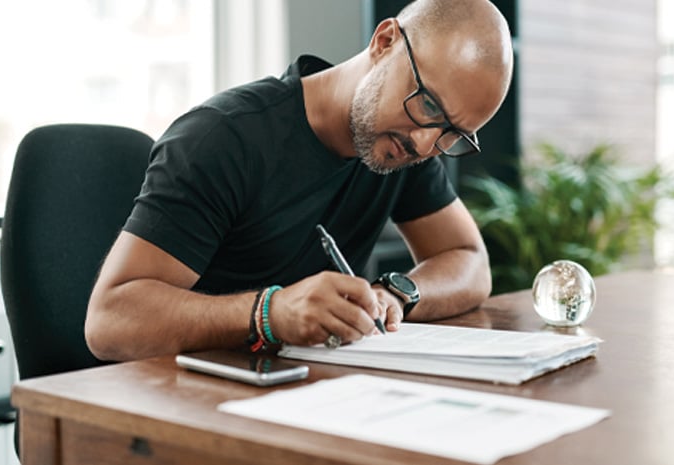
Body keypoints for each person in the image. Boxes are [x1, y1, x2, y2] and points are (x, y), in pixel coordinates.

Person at [84, 0, 513, 361]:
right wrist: (268, 313)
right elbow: (109, 320)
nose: (425, 143)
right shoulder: (223, 138)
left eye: (452, 134)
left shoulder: (406, 143)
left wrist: (396, 294)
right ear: (385, 42)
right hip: (184, 399)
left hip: (306, 391)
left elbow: (469, 259)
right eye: (428, 104)